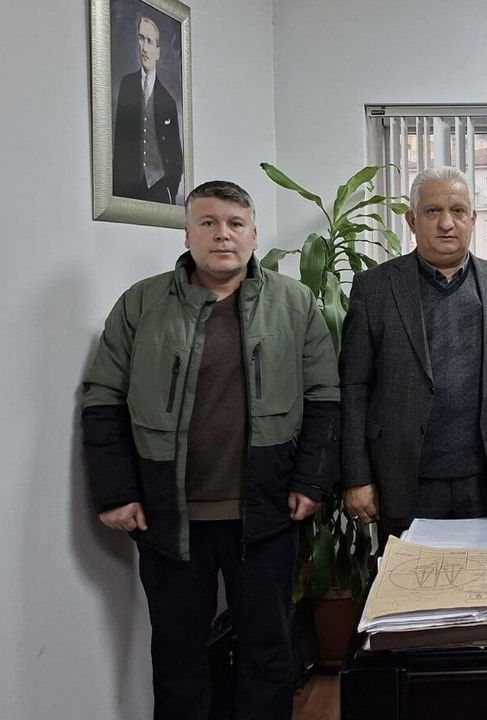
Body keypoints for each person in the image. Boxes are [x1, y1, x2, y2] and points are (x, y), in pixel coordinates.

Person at [81, 181, 339, 718]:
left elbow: (324, 399)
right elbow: (103, 398)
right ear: (187, 234)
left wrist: (311, 481)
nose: (223, 234)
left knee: (268, 649)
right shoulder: (141, 304)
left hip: (266, 511)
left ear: (253, 235)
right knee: (179, 654)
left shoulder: (295, 304)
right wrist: (115, 491)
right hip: (167, 515)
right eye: (208, 223)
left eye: (235, 223)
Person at [340, 167, 487, 539]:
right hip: (403, 479)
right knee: (406, 576)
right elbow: (354, 388)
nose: (446, 223)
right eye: (432, 211)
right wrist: (357, 477)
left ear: (473, 219)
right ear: (412, 220)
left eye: (458, 211)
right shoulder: (375, 289)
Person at [113, 15, 184, 204]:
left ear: (158, 52)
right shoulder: (127, 85)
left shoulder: (168, 101)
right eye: (141, 38)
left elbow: (176, 155)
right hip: (126, 189)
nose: (144, 47)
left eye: (150, 41)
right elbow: (119, 141)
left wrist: (170, 189)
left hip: (159, 188)